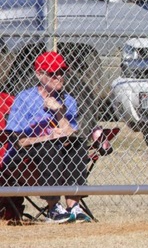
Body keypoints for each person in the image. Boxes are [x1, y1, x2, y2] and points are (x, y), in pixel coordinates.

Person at [3, 51, 91, 223]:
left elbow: (70, 134)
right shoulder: (25, 99)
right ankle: (53, 208)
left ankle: (73, 206)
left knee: (77, 144)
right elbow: (19, 141)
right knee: (50, 147)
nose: (58, 77)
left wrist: (59, 112)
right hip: (24, 155)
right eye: (52, 73)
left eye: (61, 72)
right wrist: (49, 137)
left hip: (58, 152)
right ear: (39, 74)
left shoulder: (68, 100)